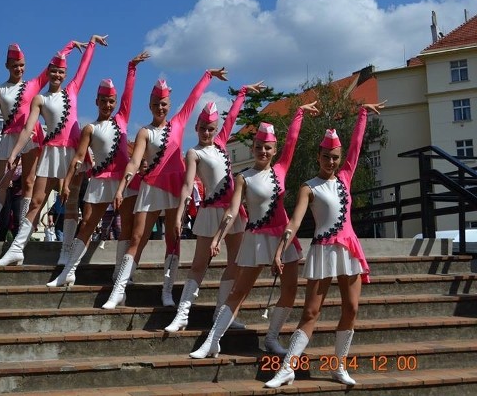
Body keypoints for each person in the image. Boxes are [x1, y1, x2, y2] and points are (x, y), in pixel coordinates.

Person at [265, 101, 386, 389]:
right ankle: (287, 368)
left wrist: (362, 114)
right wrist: (281, 250)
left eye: (335, 157)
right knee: (310, 312)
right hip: (322, 250)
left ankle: (339, 366)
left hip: (348, 248)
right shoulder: (309, 186)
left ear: (339, 157)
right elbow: (294, 222)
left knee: (352, 308)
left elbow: (357, 145)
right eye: (326, 157)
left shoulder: (345, 176)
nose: (330, 162)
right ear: (318, 156)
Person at [188, 101, 318, 359]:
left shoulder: (281, 170)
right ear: (253, 148)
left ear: (273, 150)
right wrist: (217, 238)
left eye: (267, 148)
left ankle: (271, 338)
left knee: (290, 288)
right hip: (256, 238)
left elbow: (292, 141)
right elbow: (232, 211)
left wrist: (299, 113)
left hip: (283, 238)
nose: (262, 151)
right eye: (258, 147)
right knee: (239, 291)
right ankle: (213, 341)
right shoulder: (243, 177)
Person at [102, 67, 229, 310]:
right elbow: (134, 161)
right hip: (151, 187)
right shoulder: (144, 132)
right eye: (156, 104)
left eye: (164, 104)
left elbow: (193, 98)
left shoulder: (179, 122)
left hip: (174, 187)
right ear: (150, 105)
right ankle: (119, 289)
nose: (161, 107)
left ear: (169, 105)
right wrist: (121, 188)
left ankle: (167, 291)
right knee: (138, 237)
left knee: (173, 239)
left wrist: (207, 76)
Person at [0, 34, 109, 266]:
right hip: (50, 153)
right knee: (37, 201)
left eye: (61, 72)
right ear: (49, 73)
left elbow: (84, 67)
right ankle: (17, 248)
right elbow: (27, 129)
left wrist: (92, 44)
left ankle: (66, 252)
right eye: (53, 71)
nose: (57, 75)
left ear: (65, 75)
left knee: (71, 204)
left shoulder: (73, 90)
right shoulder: (40, 99)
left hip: (73, 153)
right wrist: (15, 151)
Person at [164, 82, 264, 333]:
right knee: (199, 264)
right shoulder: (194, 152)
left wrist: (242, 93)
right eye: (202, 129)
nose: (206, 133)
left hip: (234, 212)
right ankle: (182, 314)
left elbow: (232, 117)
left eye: (211, 129)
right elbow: (188, 186)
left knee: (236, 263)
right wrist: (179, 214)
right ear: (196, 127)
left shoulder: (221, 142)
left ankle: (221, 314)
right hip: (210, 212)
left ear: (216, 129)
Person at [47, 51, 149, 287]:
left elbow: (128, 95)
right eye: (103, 101)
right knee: (87, 224)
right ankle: (68, 272)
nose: (107, 105)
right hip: (100, 180)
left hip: (124, 182)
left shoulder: (122, 119)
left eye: (111, 101)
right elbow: (78, 158)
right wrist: (66, 182)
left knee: (126, 227)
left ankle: (120, 275)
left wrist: (131, 68)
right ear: (96, 102)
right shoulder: (90, 128)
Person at [0, 42, 70, 242]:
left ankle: (23, 229)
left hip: (29, 136)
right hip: (9, 135)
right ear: (7, 66)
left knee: (29, 182)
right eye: (15, 65)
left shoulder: (32, 85)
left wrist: (69, 47)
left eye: (22, 65)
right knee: (1, 181)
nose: (19, 69)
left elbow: (53, 65)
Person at [0, 163, 23, 241]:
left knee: (17, 218)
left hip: (19, 194)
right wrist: (7, 180)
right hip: (7, 193)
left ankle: (17, 241)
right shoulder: (8, 161)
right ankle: (0, 240)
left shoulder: (25, 160)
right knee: (5, 219)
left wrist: (14, 183)